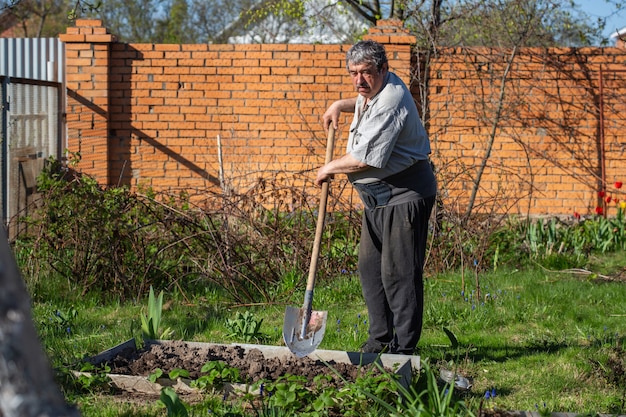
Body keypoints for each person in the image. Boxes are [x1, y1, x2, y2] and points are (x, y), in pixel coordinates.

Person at [316, 40, 437, 355]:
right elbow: (361, 100)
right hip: (377, 197)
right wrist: (339, 105)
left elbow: (365, 158)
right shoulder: (372, 92)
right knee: (371, 270)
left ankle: (403, 350)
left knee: (398, 273)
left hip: (404, 194)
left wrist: (330, 166)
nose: (359, 81)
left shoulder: (391, 100)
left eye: (366, 72)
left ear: (383, 69)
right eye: (354, 73)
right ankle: (379, 341)